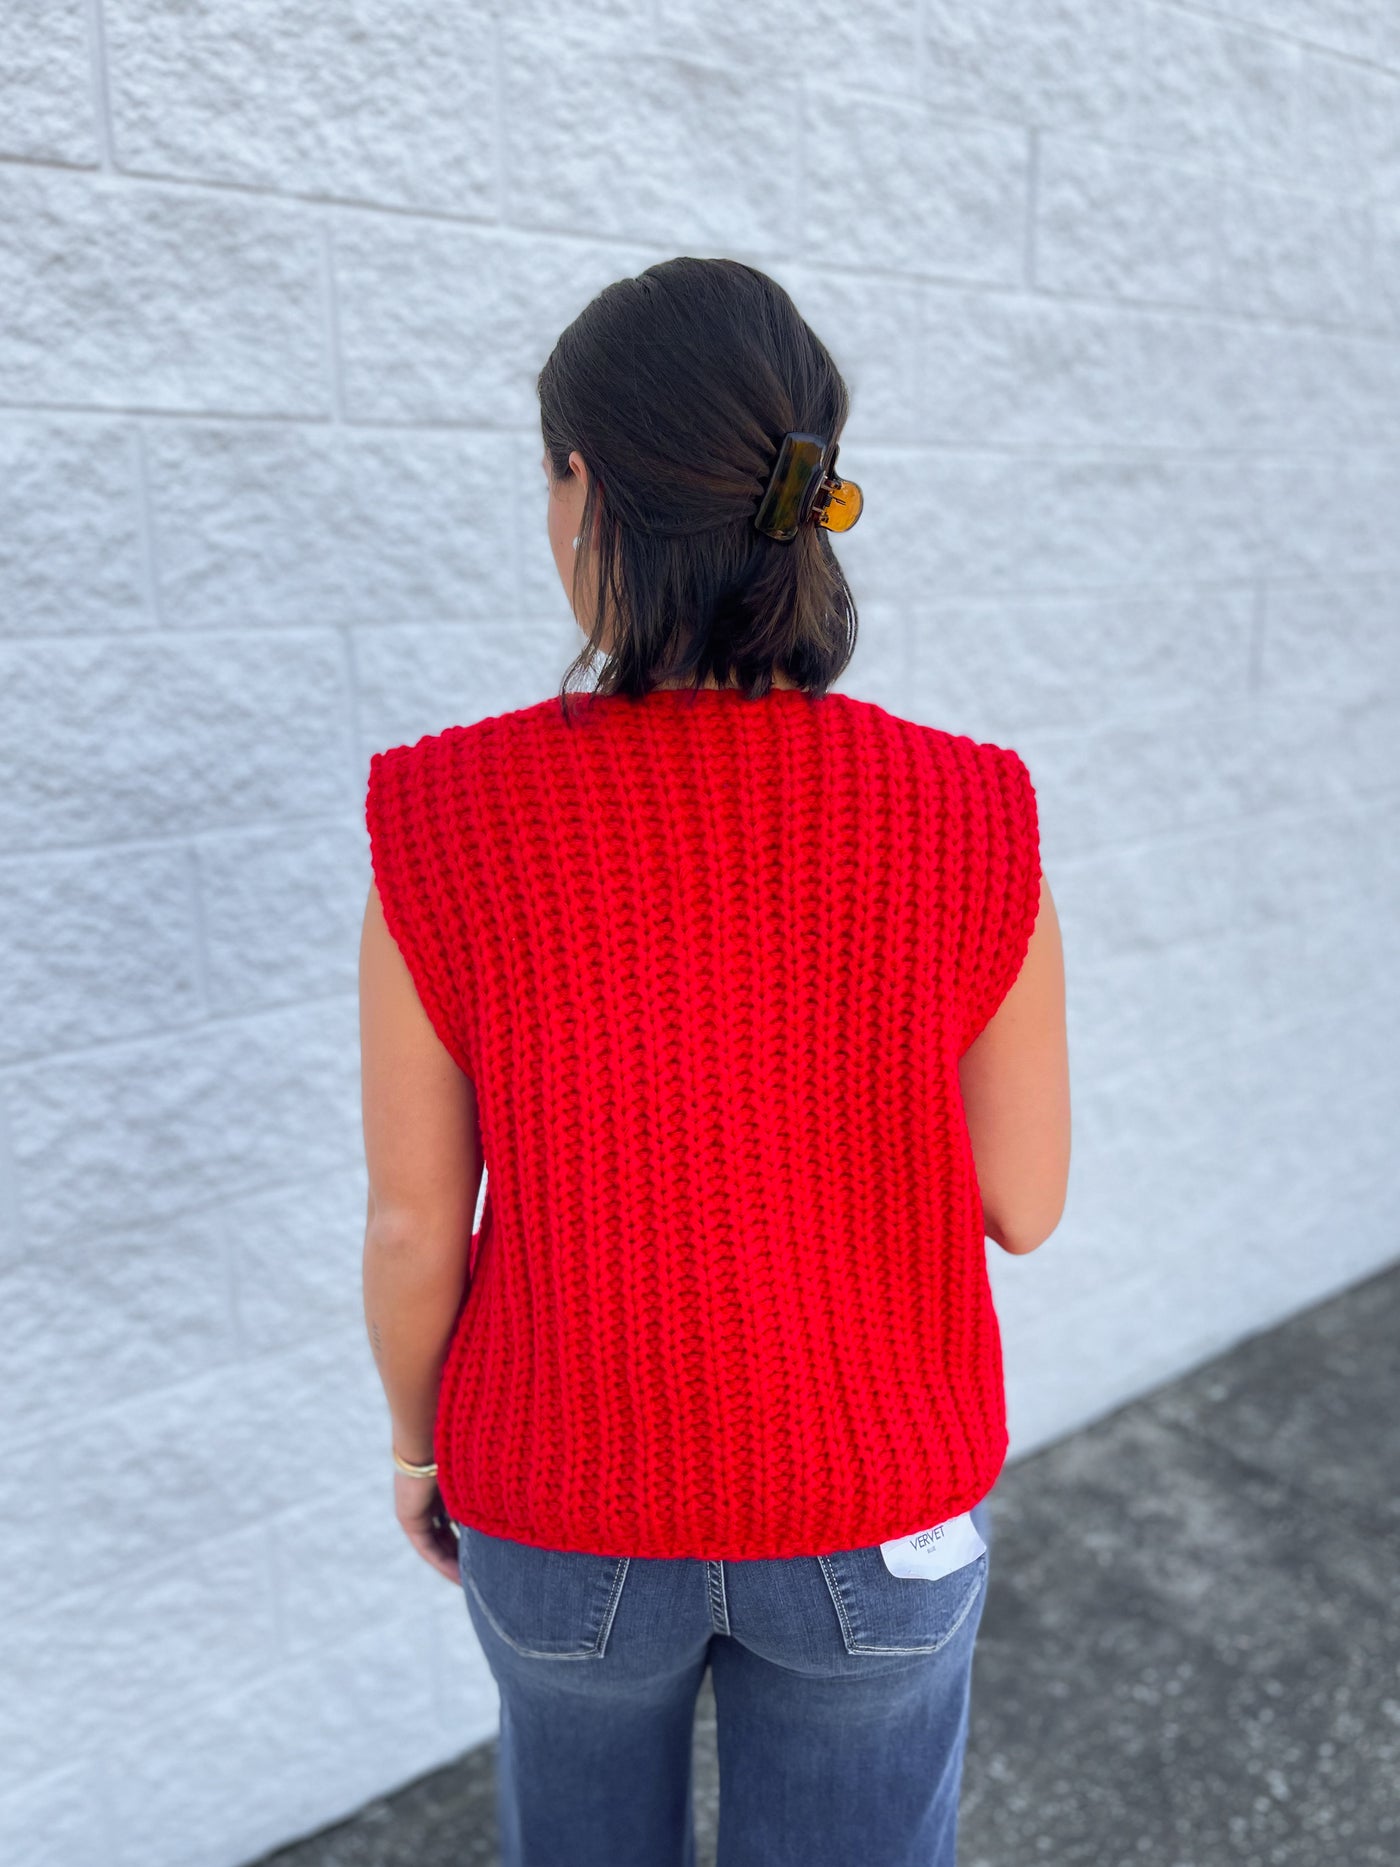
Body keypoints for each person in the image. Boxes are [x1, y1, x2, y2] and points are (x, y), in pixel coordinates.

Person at [358, 256, 1071, 1867]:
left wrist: (417, 1453)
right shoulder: (974, 812)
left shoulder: (441, 818)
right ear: (799, 502)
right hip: (877, 1502)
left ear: (584, 485)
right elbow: (1025, 1203)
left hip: (557, 1496)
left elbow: (413, 1226)